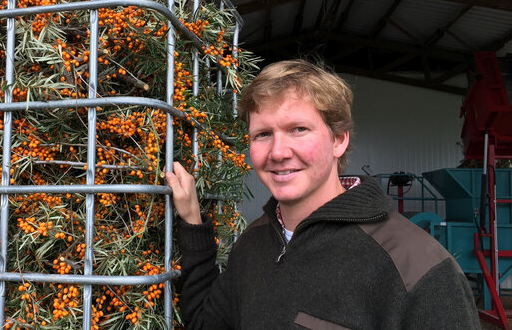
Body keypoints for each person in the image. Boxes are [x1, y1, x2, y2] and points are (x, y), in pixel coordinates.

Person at [165, 59, 480, 329]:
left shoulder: (417, 267)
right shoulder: (253, 244)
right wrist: (193, 222)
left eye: (298, 129)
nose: (278, 152)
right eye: (263, 134)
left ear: (339, 140)